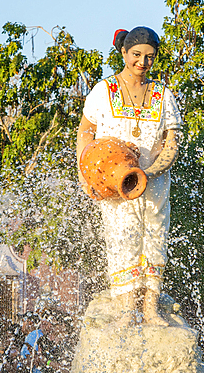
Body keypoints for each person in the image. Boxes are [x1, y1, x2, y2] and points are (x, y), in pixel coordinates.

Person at [76, 26, 182, 327]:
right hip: (115, 185)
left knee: (154, 241)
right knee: (122, 240)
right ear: (124, 53)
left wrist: (150, 171)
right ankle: (125, 310)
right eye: (136, 55)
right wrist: (86, 176)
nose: (142, 62)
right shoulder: (103, 91)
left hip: (155, 183)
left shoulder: (164, 95)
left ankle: (150, 309)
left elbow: (171, 143)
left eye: (150, 57)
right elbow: (85, 132)